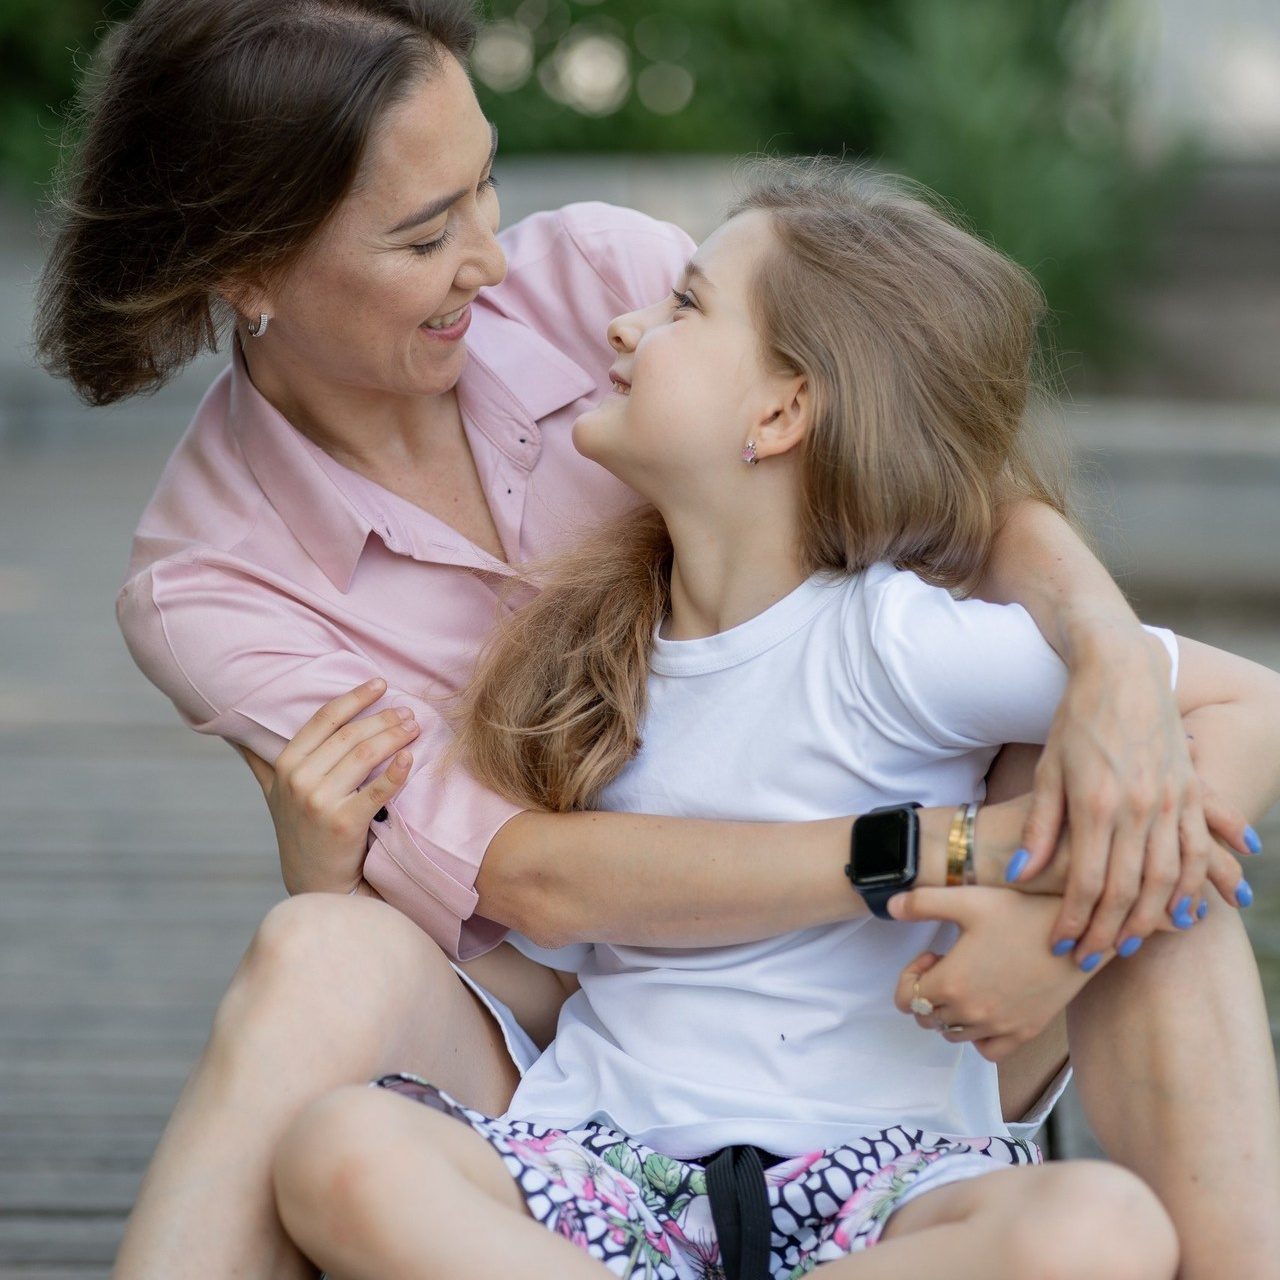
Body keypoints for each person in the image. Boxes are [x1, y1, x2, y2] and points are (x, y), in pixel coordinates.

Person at [29, 1, 1277, 1276]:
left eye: (485, 186)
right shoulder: (208, 579)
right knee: (317, 951)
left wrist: (1107, 699)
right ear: (244, 270)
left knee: (1154, 864)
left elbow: (946, 487)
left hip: (906, 1029)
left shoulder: (600, 281)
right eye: (424, 232)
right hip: (570, 1069)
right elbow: (530, 882)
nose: (492, 260)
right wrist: (950, 844)